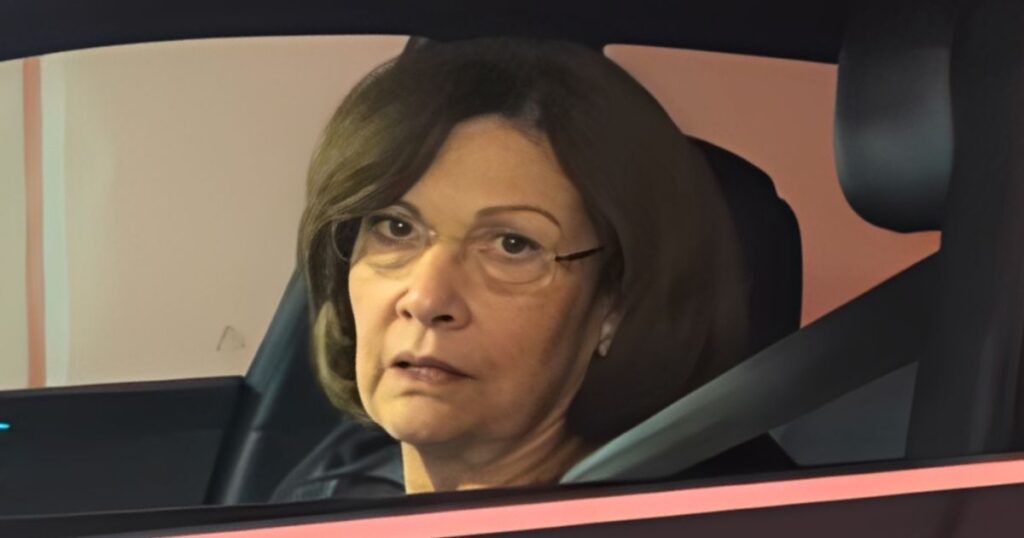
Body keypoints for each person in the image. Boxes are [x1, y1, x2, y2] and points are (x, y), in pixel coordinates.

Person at [295, 37, 747, 494]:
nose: (427, 298)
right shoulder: (328, 489)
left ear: (615, 304)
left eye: (513, 245)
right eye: (395, 228)